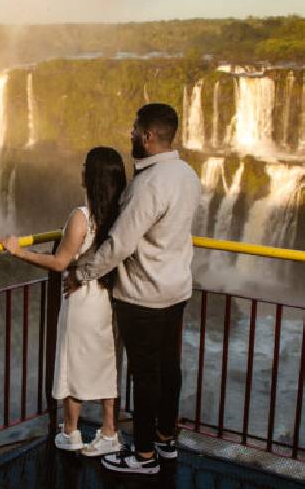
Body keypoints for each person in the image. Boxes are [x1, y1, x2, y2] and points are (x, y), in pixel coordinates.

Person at [66, 103, 201, 476]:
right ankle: (165, 440)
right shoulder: (188, 175)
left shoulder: (149, 184)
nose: (129, 135)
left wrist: (83, 271)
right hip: (176, 289)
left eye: (133, 130)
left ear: (148, 136)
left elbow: (120, 244)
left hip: (143, 294)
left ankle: (143, 456)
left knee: (144, 375)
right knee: (167, 368)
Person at [0, 146, 126, 457]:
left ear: (92, 177)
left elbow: (59, 263)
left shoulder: (80, 217)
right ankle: (109, 430)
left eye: (85, 167)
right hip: (109, 298)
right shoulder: (122, 216)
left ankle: (70, 432)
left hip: (82, 300)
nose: (80, 171)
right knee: (106, 362)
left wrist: (18, 251)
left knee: (73, 362)